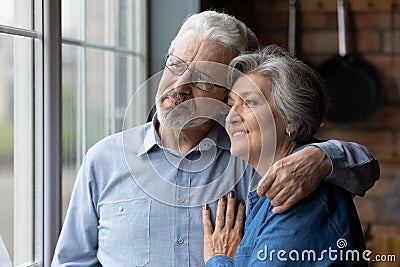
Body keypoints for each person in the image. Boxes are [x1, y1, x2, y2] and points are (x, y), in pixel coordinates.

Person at [52, 11, 378, 266]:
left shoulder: (254, 155)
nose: (179, 85)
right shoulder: (103, 160)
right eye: (175, 64)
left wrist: (323, 157)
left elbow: (364, 168)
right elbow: (71, 262)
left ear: (227, 94)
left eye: (204, 79)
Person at [203, 45, 367, 266]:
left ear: (292, 120)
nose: (231, 117)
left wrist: (218, 258)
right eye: (232, 105)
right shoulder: (269, 190)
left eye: (249, 103)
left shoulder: (298, 196)